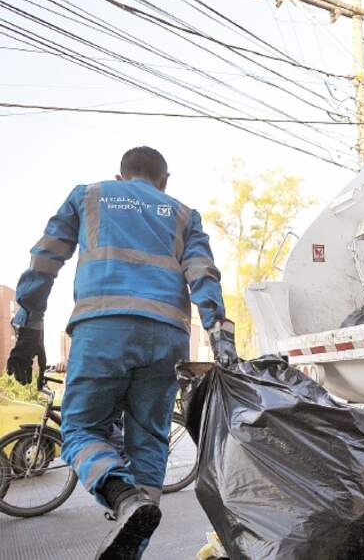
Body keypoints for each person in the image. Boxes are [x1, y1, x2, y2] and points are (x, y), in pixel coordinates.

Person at [10, 146, 229, 558]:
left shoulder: (89, 196)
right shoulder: (183, 213)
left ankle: (122, 496)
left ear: (120, 174)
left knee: (80, 430)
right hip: (166, 338)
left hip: (102, 330)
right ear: (165, 181)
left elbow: (45, 259)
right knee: (148, 440)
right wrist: (223, 341)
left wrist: (28, 328)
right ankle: (134, 540)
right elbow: (203, 275)